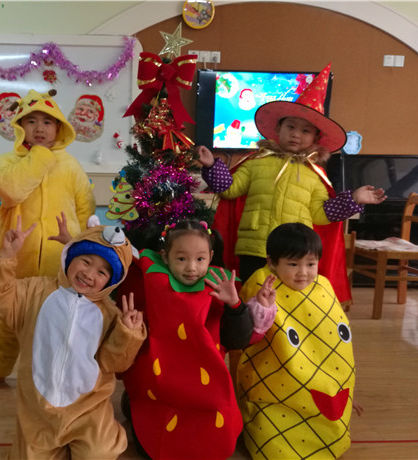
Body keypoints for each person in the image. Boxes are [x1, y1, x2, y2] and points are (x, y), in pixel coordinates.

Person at [197, 63, 386, 301]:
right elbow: (229, 190)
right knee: (250, 297)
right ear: (278, 128)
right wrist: (211, 165)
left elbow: (320, 214)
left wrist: (354, 199)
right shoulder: (256, 163)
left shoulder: (314, 175)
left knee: (288, 302)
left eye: (306, 131)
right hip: (254, 247)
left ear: (316, 138)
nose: (296, 134)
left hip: (293, 253)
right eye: (291, 126)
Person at [0, 217, 146, 459]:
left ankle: (101, 437)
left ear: (111, 281)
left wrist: (128, 333)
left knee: (99, 453)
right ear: (70, 256)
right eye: (85, 261)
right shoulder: (34, 292)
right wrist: (6, 256)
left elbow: (114, 362)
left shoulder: (109, 315)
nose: (89, 273)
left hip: (87, 411)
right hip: (38, 412)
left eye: (101, 272)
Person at [118, 219, 277, 460]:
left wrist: (234, 305)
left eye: (200, 259)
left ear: (210, 256)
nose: (191, 268)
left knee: (217, 432)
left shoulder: (219, 284)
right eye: (181, 259)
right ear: (165, 255)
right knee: (149, 441)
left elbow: (238, 340)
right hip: (158, 382)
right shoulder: (151, 276)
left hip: (206, 386)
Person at [0, 89, 95, 392]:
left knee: (57, 320)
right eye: (31, 121)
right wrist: (39, 155)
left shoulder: (70, 166)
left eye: (47, 122)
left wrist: (80, 247)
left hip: (59, 259)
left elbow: (85, 209)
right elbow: (11, 191)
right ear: (19, 126)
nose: (40, 128)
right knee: (10, 319)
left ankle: (52, 375)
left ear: (59, 127)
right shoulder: (7, 162)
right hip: (18, 257)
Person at [236, 223, 362, 460]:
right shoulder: (263, 285)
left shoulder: (323, 286)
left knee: (330, 434)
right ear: (272, 262)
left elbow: (335, 344)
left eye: (311, 264)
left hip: (321, 386)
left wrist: (341, 386)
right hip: (277, 387)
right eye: (293, 264)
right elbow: (249, 333)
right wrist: (263, 306)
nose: (303, 272)